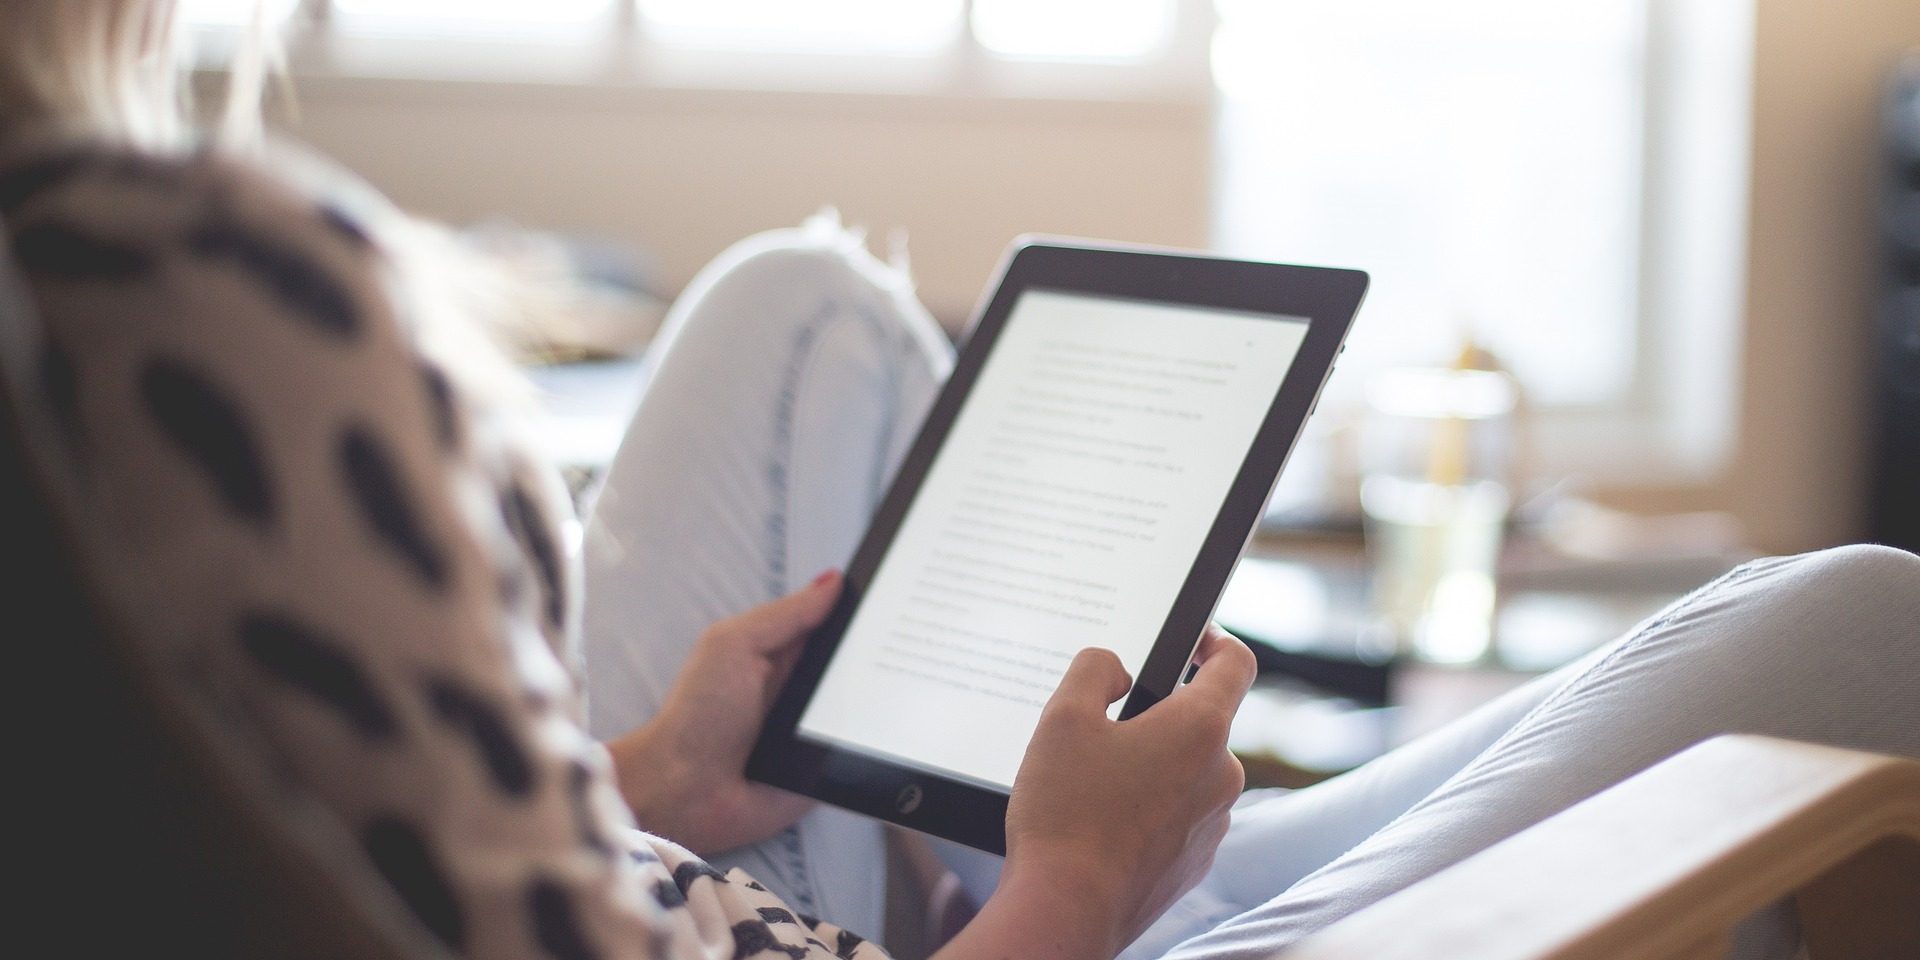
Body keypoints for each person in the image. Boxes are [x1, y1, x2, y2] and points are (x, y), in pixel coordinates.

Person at [1, 4, 1914, 960]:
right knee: (1867, 622)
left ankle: (1075, 845)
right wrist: (1066, 896)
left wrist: (656, 778)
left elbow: (396, 851)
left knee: (807, 305)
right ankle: (1136, 879)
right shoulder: (174, 291)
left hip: (702, 873)